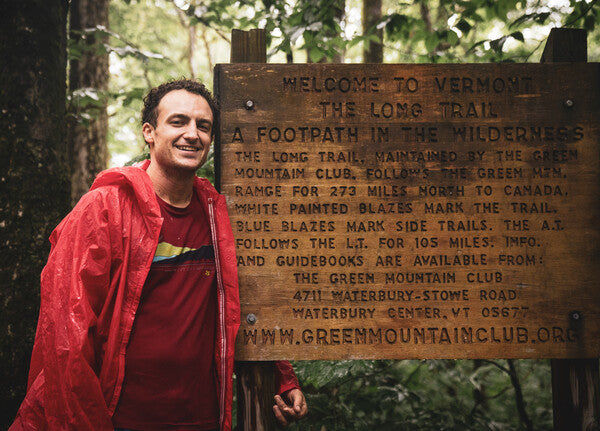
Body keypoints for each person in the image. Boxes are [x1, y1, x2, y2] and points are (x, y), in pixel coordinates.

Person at [10, 79, 307, 430]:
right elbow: (66, 339)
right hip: (119, 418)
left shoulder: (216, 213)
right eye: (178, 122)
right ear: (149, 132)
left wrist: (283, 377)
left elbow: (241, 302)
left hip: (203, 418)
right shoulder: (104, 209)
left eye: (203, 126)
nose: (192, 134)